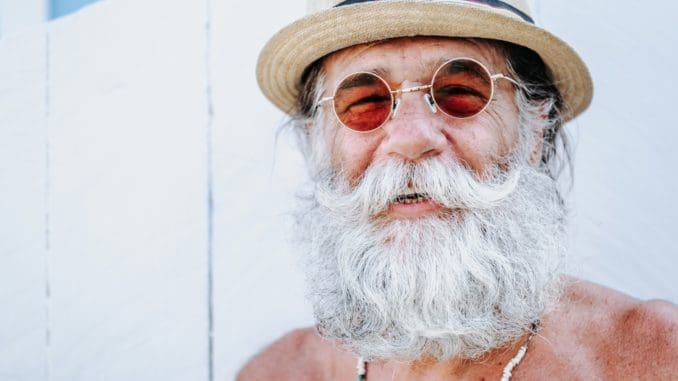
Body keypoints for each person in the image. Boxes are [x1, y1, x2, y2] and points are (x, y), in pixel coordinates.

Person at [239, 1, 678, 379]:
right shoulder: (280, 373)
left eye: (460, 92)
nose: (411, 139)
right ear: (316, 142)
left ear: (535, 130)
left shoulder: (656, 359)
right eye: (366, 101)